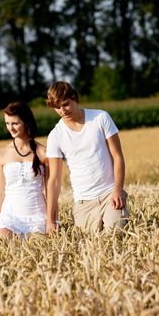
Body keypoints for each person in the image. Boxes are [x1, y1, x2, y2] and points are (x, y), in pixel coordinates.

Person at [46, 81, 128, 234]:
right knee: (89, 244)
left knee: (115, 234)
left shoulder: (101, 117)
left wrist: (118, 189)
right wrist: (50, 220)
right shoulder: (55, 136)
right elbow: (54, 180)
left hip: (109, 194)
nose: (62, 110)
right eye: (57, 107)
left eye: (66, 104)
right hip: (83, 203)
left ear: (75, 98)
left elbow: (117, 157)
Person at [0, 101, 48, 240]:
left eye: (15, 123)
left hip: (37, 216)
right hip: (9, 218)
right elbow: (0, 191)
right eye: (7, 123)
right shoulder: (1, 154)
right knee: (4, 244)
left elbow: (50, 190)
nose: (10, 128)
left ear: (26, 122)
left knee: (40, 251)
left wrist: (53, 220)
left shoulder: (43, 152)